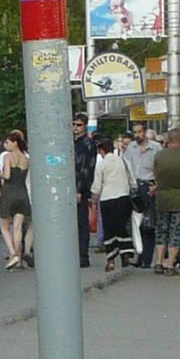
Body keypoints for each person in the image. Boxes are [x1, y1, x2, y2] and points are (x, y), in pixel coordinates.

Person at [152, 128, 180, 275]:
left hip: (162, 198)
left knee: (161, 231)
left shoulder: (159, 156)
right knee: (176, 232)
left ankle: (159, 262)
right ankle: (170, 265)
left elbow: (155, 173)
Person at [92, 120, 134, 270]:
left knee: (109, 230)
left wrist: (93, 200)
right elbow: (133, 181)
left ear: (102, 150)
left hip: (107, 200)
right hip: (124, 199)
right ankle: (125, 254)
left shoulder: (101, 165)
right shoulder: (123, 161)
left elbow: (97, 186)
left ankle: (110, 261)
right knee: (122, 227)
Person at [0, 129, 33, 267]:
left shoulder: (8, 157)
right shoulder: (26, 159)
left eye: (8, 142)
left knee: (4, 226)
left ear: (15, 143)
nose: (6, 145)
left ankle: (13, 253)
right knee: (18, 228)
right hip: (22, 193)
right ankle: (19, 259)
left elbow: (7, 176)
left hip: (9, 193)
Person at [122, 125, 159, 267]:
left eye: (139, 132)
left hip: (149, 187)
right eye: (135, 132)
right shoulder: (131, 147)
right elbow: (125, 165)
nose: (137, 135)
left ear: (145, 133)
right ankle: (139, 256)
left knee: (148, 224)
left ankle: (147, 259)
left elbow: (160, 168)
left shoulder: (155, 148)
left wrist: (156, 186)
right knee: (134, 224)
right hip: (133, 187)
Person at [71, 112, 97, 267]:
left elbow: (86, 169)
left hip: (80, 188)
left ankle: (83, 256)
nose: (75, 127)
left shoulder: (87, 143)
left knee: (81, 222)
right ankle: (78, 254)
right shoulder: (75, 142)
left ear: (85, 125)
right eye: (74, 124)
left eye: (79, 124)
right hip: (74, 186)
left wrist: (80, 190)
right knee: (76, 222)